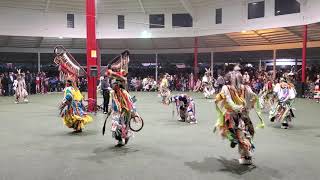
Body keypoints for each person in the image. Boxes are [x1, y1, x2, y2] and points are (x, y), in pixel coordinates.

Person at [214, 65, 263, 165]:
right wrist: (246, 107)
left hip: (236, 116)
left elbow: (228, 100)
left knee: (242, 135)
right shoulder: (243, 88)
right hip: (239, 115)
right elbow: (252, 99)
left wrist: (241, 108)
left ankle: (246, 155)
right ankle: (245, 154)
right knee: (243, 133)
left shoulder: (231, 88)